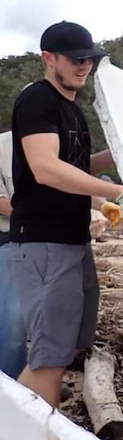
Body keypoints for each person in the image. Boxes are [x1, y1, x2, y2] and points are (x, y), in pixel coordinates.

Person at [10, 21, 123, 407]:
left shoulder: (71, 110)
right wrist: (118, 193)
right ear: (48, 58)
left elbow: (77, 166)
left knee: (69, 348)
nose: (84, 67)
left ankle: (30, 429)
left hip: (73, 241)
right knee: (49, 359)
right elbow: (45, 168)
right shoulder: (37, 100)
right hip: (44, 243)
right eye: (75, 60)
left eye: (89, 60)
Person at [0, 131, 26, 380]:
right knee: (12, 324)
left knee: (37, 319)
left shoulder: (57, 144)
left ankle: (33, 379)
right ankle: (11, 388)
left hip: (45, 243)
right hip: (8, 243)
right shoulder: (3, 147)